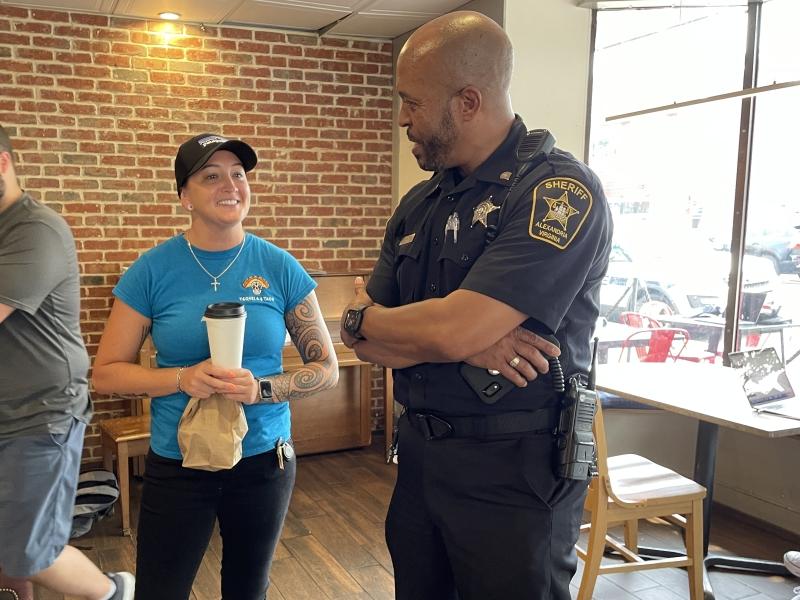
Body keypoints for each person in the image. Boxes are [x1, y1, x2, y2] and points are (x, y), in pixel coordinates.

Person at [339, 12, 612, 600]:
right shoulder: (420, 203)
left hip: (516, 470)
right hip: (420, 461)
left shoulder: (556, 193)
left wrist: (427, 327)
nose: (403, 117)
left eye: (412, 101)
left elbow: (448, 328)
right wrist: (407, 327)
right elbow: (360, 336)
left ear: (467, 101)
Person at [92, 133, 339, 600]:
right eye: (211, 176)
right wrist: (183, 378)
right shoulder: (152, 270)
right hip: (180, 460)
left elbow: (326, 368)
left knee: (248, 589)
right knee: (161, 590)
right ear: (184, 195)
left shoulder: (279, 266)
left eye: (238, 174)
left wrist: (261, 389)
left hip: (264, 458)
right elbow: (106, 373)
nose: (230, 185)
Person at [0, 126, 135, 600]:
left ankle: (114, 591)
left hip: (41, 415)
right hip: (7, 412)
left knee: (30, 551)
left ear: (2, 165)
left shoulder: (34, 229)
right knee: (9, 543)